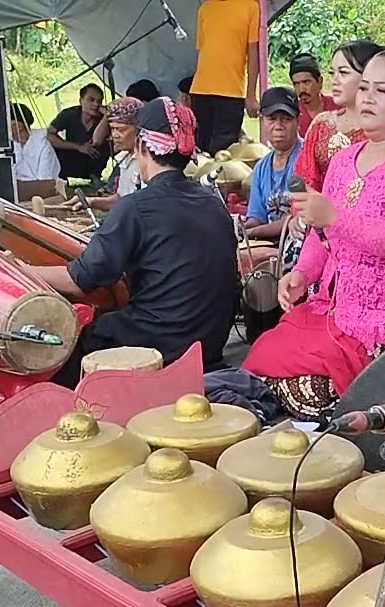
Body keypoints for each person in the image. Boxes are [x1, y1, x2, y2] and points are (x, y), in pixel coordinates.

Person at [241, 49, 385, 420]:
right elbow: (321, 237)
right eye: (365, 87)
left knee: (307, 391)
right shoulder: (343, 160)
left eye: (382, 91)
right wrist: (302, 274)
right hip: (333, 307)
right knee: (261, 357)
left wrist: (335, 216)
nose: (367, 97)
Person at [29, 97, 239, 389]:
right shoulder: (214, 204)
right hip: (209, 346)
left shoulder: (136, 208)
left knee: (69, 342)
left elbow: (79, 281)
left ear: (141, 146)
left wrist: (22, 269)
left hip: (163, 345)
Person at [292, 40, 384, 193]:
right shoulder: (322, 125)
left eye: (343, 72)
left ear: (369, 75)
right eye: (332, 73)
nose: (335, 80)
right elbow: (304, 182)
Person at [191, 0, 261, 155]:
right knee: (198, 151)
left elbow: (253, 54)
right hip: (200, 91)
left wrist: (251, 95)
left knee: (223, 153)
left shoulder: (250, 7)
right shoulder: (205, 9)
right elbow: (203, 51)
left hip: (231, 92)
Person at [244, 88, 303, 251]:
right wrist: (240, 226)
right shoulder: (261, 167)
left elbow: (297, 219)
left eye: (286, 119)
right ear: (262, 121)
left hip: (300, 248)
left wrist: (249, 233)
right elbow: (257, 217)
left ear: (298, 121)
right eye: (272, 119)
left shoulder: (307, 158)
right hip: (271, 247)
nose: (278, 126)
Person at [73, 97, 144, 212]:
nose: (115, 135)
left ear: (138, 129)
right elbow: (121, 199)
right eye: (112, 129)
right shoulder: (126, 159)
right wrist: (92, 201)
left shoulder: (148, 162)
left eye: (121, 130)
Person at [47, 83, 110, 182]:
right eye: (91, 100)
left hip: (93, 158)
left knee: (105, 146)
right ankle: (61, 178)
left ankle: (95, 176)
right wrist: (79, 147)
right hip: (71, 156)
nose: (96, 105)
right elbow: (49, 134)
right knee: (51, 146)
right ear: (81, 101)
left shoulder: (103, 118)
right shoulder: (69, 114)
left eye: (99, 101)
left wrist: (107, 117)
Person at [10, 103, 61, 183]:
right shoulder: (11, 146)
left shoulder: (43, 146)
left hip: (41, 191)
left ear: (19, 126)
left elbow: (44, 180)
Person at [290, 53, 337, 137]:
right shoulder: (292, 113)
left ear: (320, 81)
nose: (301, 89)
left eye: (306, 82)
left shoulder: (337, 107)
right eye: (296, 84)